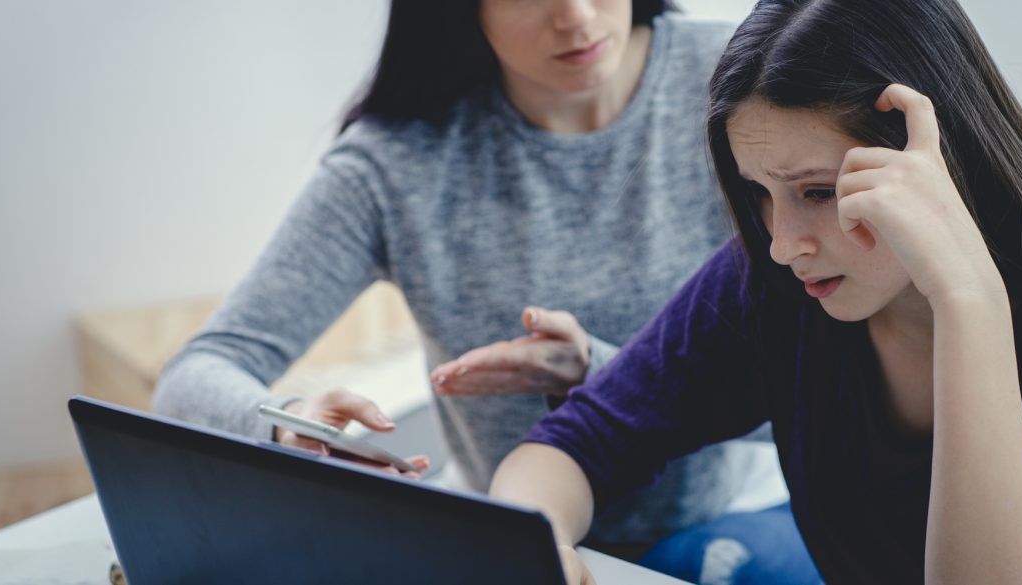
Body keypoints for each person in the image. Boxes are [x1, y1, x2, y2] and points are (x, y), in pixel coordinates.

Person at [489, 0, 1022, 583]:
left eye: (819, 192)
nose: (785, 243)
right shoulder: (779, 279)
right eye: (760, 192)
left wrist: (968, 301)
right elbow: (581, 440)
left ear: (938, 167)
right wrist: (535, 543)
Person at [152, 0, 811, 572]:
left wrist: (607, 374)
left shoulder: (742, 86)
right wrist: (286, 426)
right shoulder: (396, 162)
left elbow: (840, 387)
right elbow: (196, 373)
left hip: (739, 518)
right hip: (509, 529)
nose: (575, 16)